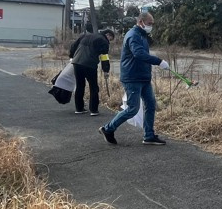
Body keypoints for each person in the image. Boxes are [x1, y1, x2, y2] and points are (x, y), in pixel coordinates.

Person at [99, 11, 170, 146]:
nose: (151, 26)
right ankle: (107, 129)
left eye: (152, 24)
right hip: (132, 77)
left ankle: (149, 135)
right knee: (133, 108)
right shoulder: (133, 35)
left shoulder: (142, 35)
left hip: (143, 77)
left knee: (150, 105)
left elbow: (142, 55)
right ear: (141, 22)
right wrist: (158, 61)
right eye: (149, 23)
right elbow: (138, 54)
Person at [68, 25, 115, 116]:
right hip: (90, 65)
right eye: (110, 39)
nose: (109, 41)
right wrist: (106, 70)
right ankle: (93, 110)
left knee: (80, 85)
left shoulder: (85, 35)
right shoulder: (103, 41)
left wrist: (71, 56)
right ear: (108, 35)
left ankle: (79, 108)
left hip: (77, 63)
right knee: (93, 87)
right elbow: (104, 57)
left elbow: (73, 45)